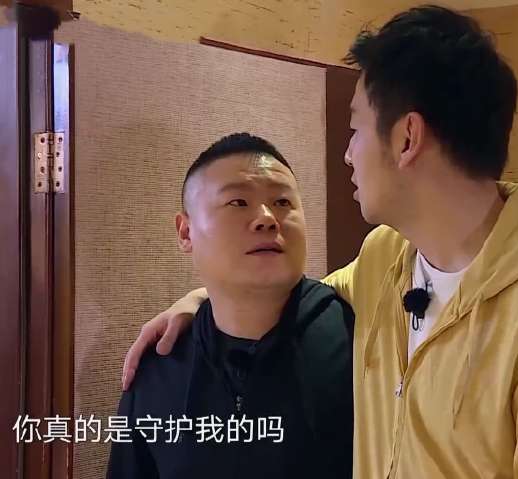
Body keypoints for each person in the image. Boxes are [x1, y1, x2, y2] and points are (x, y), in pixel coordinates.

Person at [121, 6, 518, 479]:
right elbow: (282, 293)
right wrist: (203, 300)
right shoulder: (387, 258)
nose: (348, 154)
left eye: (356, 128)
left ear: (407, 138)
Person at [107, 133, 354, 479]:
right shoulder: (160, 361)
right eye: (238, 202)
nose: (267, 218)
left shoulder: (360, 337)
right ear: (186, 232)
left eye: (282, 202)